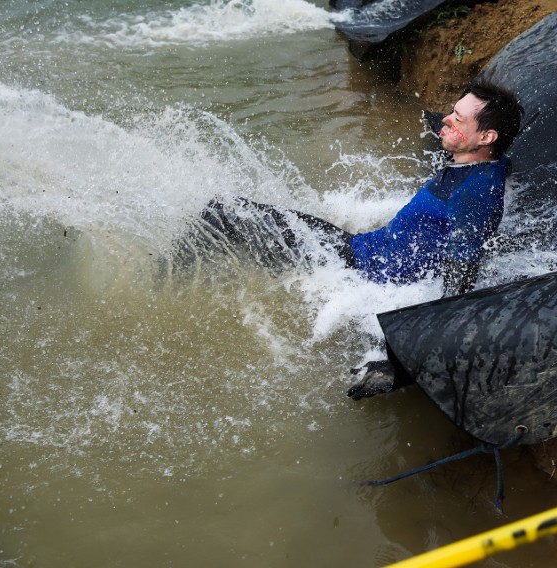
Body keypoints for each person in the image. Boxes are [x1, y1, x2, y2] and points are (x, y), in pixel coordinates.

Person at [198, 79, 524, 398]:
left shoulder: (477, 194)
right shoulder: (480, 165)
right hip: (359, 251)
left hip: (352, 268)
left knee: (221, 214)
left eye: (458, 118)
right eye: (452, 111)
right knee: (228, 216)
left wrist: (406, 353)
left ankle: (170, 288)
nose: (446, 120)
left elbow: (460, 280)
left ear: (487, 136)